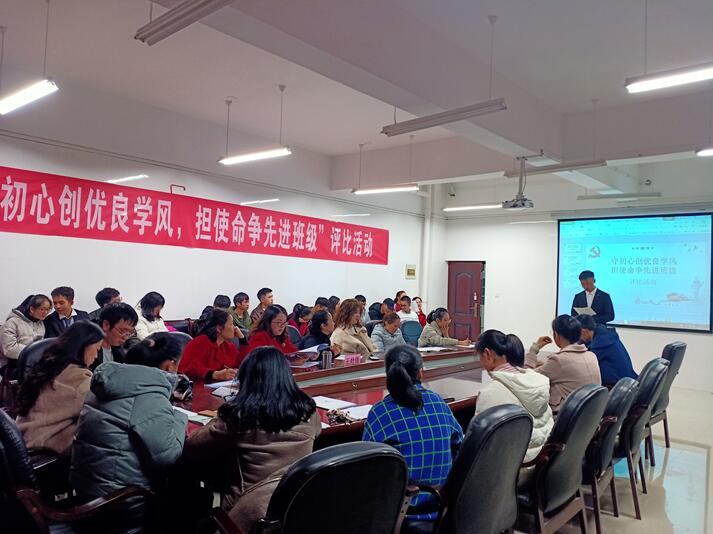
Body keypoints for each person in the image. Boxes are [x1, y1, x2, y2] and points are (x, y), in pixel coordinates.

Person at [70, 334, 188, 529]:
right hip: (121, 502)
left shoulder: (107, 383)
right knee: (193, 493)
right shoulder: (148, 396)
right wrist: (180, 418)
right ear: (170, 365)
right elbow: (167, 456)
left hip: (86, 493)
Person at [183, 347, 321, 512]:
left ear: (246, 379)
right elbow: (317, 432)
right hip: (294, 506)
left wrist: (219, 416)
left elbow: (193, 445)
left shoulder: (239, 416)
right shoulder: (308, 410)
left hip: (245, 510)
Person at [363, 345, 463, 520]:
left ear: (388, 375)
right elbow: (459, 443)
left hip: (401, 511)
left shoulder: (380, 412)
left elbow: (367, 465)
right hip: (442, 507)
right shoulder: (438, 402)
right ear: (421, 373)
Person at [16, 322, 104, 456]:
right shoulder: (78, 378)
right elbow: (101, 410)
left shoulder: (49, 365)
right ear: (84, 346)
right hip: (42, 445)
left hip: (25, 436)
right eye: (97, 349)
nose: (96, 356)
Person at [474, 330, 553, 462]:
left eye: (479, 356)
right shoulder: (537, 383)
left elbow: (479, 444)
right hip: (542, 461)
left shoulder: (491, 393)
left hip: (514, 467)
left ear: (487, 354)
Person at [526, 314, 601, 411]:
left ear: (556, 335)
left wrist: (534, 349)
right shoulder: (591, 355)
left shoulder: (558, 361)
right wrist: (546, 365)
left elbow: (526, 379)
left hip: (563, 416)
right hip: (589, 415)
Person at [179, 309, 243, 382]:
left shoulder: (227, 346)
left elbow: (243, 362)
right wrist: (214, 374)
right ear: (219, 328)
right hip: (198, 385)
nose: (235, 328)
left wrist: (242, 339)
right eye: (231, 324)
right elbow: (188, 367)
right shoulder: (201, 341)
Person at [577, 314, 637, 387]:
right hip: (627, 383)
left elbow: (584, 365)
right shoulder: (606, 336)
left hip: (617, 387)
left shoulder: (600, 344)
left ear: (584, 331)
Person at [0, 294, 51, 369]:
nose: (45, 312)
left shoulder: (40, 323)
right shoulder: (12, 322)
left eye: (48, 309)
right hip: (12, 364)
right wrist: (35, 352)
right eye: (42, 309)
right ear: (32, 309)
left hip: (33, 362)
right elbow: (9, 349)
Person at [95, 303, 139, 367]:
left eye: (130, 332)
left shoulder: (119, 351)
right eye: (123, 331)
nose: (126, 338)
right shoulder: (89, 351)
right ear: (106, 325)